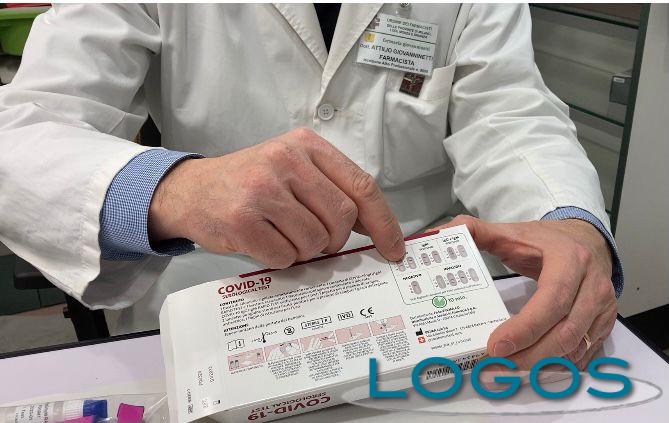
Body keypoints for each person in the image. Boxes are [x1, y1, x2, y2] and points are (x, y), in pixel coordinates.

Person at [0, 3, 621, 370]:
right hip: (218, 287)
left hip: (422, 292)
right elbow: (23, 129)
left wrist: (566, 218)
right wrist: (171, 190)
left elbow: (507, 106)